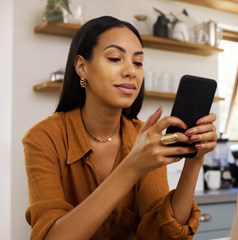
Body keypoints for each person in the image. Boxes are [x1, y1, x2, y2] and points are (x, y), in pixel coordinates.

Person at [23, 16, 217, 240]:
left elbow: (163, 235)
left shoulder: (144, 135)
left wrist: (195, 162)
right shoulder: (43, 138)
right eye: (115, 58)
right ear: (81, 67)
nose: (131, 71)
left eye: (138, 62)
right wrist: (132, 166)